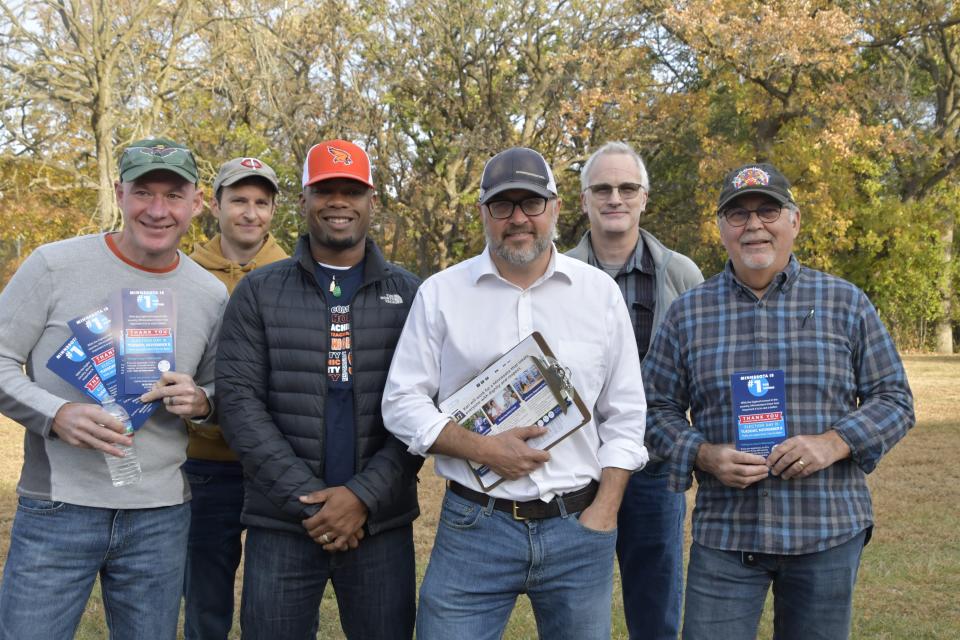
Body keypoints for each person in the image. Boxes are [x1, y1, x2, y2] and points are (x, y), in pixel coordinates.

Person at [382, 146, 649, 640]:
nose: (518, 219)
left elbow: (627, 414)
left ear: (556, 208)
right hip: (475, 527)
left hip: (578, 524)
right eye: (503, 206)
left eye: (532, 203)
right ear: (483, 211)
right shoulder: (442, 293)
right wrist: (482, 450)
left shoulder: (599, 295)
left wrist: (606, 509)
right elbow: (401, 403)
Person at [643, 162, 915, 639]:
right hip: (728, 535)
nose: (753, 226)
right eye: (737, 214)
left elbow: (894, 399)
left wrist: (834, 442)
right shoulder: (688, 314)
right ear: (721, 228)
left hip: (827, 529)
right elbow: (653, 409)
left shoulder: (844, 303)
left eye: (768, 211)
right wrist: (704, 454)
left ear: (795, 220)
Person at [0, 137, 227, 639]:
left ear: (196, 203)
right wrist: (54, 414)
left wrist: (203, 401)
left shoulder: (210, 294)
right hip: (59, 507)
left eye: (174, 195)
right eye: (144, 192)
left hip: (160, 515)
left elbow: (217, 389)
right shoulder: (53, 265)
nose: (158, 209)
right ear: (119, 192)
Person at [216, 139, 423, 640]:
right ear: (304, 200)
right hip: (284, 523)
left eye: (351, 190)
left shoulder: (411, 294)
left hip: (379, 523)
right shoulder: (260, 291)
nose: (338, 201)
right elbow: (240, 404)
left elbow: (425, 408)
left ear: (371, 201)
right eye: (325, 189)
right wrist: (313, 504)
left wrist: (361, 498)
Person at [567, 141, 703, 640]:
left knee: (656, 604)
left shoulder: (682, 274)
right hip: (577, 471)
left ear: (644, 198)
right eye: (601, 188)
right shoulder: (557, 275)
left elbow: (700, 372)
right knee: (578, 606)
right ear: (583, 200)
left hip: (654, 468)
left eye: (627, 188)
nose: (614, 198)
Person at [182, 156, 288, 640]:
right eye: (239, 200)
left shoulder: (293, 273)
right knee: (205, 593)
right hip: (204, 463)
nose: (250, 213)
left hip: (270, 464)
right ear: (214, 206)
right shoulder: (184, 273)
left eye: (261, 202)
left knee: (273, 599)